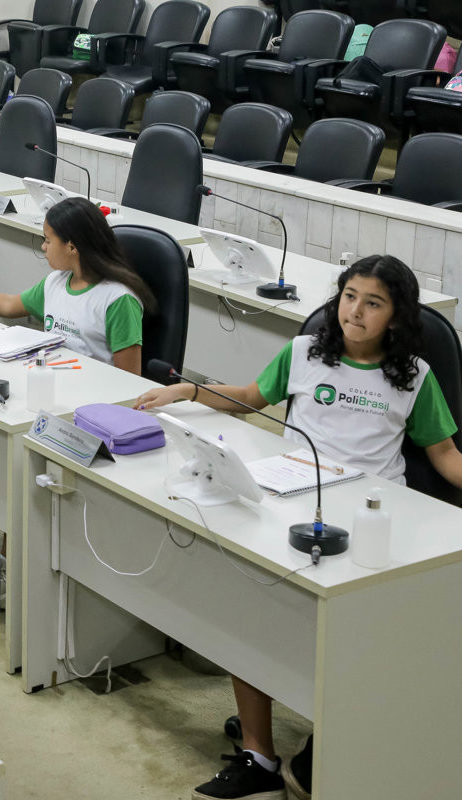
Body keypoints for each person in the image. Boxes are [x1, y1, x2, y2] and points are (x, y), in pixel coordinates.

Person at [134, 254, 462, 800]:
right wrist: (188, 391)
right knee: (252, 609)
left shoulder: (414, 376)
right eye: (349, 296)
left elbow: (446, 454)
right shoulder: (305, 353)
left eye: (373, 302)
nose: (355, 311)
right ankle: (259, 758)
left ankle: (335, 739)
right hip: (292, 504)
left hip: (373, 518)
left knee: (357, 638)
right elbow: (245, 400)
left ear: (397, 316)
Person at [0, 197, 154, 375]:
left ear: (72, 247)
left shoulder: (117, 299)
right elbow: (9, 304)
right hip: (52, 381)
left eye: (48, 240)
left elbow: (130, 381)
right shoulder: (57, 282)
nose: (43, 247)